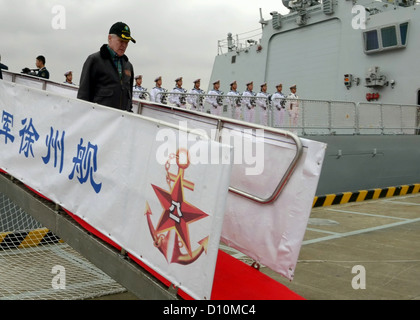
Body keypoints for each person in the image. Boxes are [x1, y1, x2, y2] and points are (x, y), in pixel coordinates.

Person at [77, 22, 136, 112]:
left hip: (121, 122)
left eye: (126, 42)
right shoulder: (95, 60)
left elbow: (129, 99)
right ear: (110, 38)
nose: (124, 45)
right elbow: (83, 96)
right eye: (121, 41)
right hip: (99, 120)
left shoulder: (128, 66)